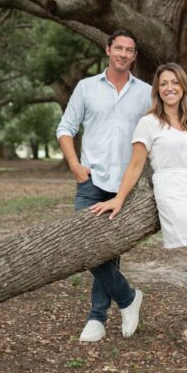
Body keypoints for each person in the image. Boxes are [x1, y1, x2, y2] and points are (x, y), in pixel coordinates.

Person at [91, 63, 187, 366]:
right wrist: (118, 198)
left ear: (183, 87)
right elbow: (136, 165)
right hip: (173, 193)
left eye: (174, 83)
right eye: (163, 83)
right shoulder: (148, 123)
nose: (169, 88)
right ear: (157, 90)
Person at [57, 30, 150, 343]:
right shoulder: (86, 88)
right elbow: (65, 129)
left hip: (125, 185)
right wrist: (74, 165)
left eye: (130, 50)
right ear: (108, 49)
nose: (123, 54)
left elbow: (172, 115)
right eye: (118, 48)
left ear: (134, 56)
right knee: (84, 245)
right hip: (91, 181)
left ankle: (97, 318)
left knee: (107, 252)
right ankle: (128, 298)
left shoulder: (147, 93)